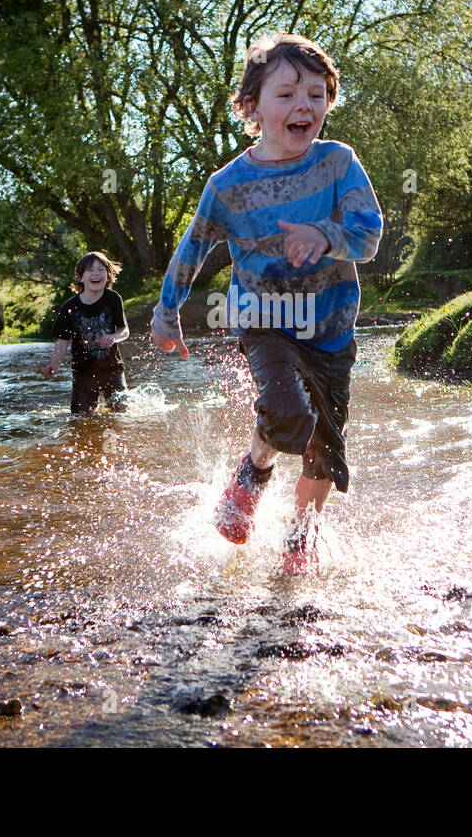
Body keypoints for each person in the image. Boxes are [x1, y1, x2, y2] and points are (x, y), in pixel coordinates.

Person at [150, 32, 382, 575]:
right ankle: (251, 474)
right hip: (265, 322)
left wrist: (326, 237)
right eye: (288, 94)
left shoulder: (338, 164)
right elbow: (192, 249)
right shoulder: (228, 185)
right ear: (253, 107)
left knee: (325, 447)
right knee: (286, 411)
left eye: (318, 94)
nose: (305, 105)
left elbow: (368, 236)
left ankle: (299, 539)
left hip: (332, 330)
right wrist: (167, 311)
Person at [42, 251, 130, 414]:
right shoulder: (69, 307)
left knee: (122, 414)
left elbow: (124, 330)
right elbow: (62, 342)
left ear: (108, 275)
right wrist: (53, 365)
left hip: (112, 370)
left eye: (101, 269)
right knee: (80, 419)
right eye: (90, 270)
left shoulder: (113, 299)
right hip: (84, 374)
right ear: (80, 277)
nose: (96, 273)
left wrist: (114, 337)